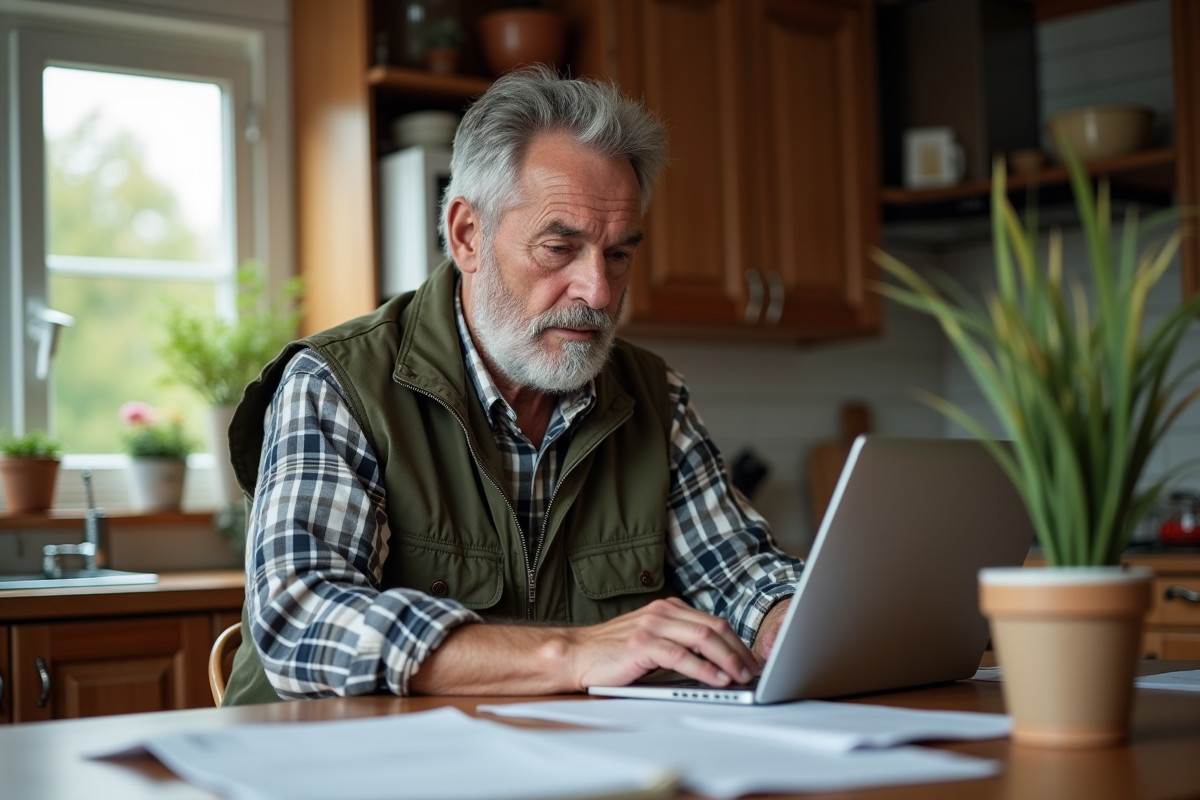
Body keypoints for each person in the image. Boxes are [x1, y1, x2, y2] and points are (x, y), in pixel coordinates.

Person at [221, 66, 804, 705]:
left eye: (618, 254)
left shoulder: (652, 394)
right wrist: (572, 652)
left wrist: (786, 621)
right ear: (468, 235)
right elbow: (300, 621)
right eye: (560, 248)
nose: (599, 292)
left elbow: (737, 570)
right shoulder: (337, 383)